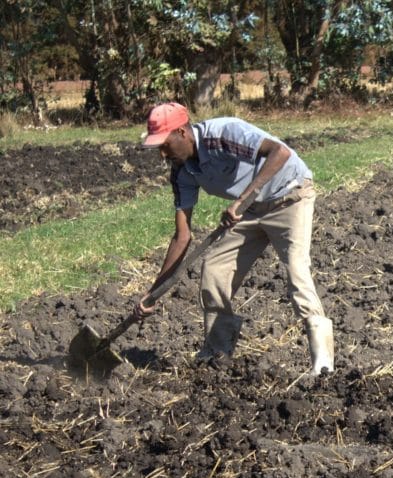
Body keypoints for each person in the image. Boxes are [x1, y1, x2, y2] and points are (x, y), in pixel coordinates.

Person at [137, 102, 333, 375]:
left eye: (165, 145)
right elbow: (182, 236)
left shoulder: (223, 134)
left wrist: (241, 200)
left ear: (182, 132)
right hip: (251, 211)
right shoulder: (182, 170)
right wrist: (154, 292)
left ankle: (323, 364)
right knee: (215, 269)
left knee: (297, 271)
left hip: (291, 195)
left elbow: (281, 152)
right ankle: (217, 355)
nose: (161, 154)